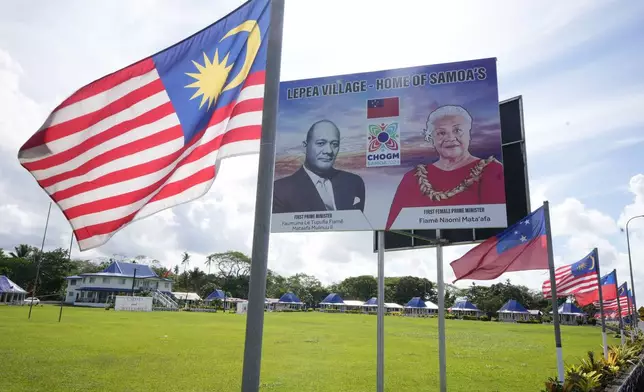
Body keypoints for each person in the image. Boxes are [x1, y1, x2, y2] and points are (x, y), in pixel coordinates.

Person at [385, 105, 505, 229]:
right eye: (441, 133)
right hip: (424, 247)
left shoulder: (492, 171)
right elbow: (394, 229)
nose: (450, 138)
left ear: (469, 133)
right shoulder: (412, 178)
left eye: (457, 130)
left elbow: (498, 225)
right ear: (431, 138)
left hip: (480, 245)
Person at [273, 120, 366, 213]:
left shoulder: (354, 182)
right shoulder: (280, 190)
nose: (329, 151)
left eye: (334, 144)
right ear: (305, 147)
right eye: (321, 143)